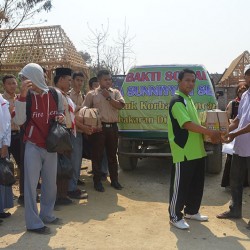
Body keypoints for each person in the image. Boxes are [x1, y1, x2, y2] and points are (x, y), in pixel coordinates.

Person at [13, 63, 65, 234]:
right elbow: (20, 121)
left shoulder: (54, 94)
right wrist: (21, 95)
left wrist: (60, 117)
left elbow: (61, 112)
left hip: (51, 145)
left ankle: (47, 214)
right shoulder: (24, 97)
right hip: (32, 146)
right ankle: (33, 223)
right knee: (30, 186)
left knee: (50, 184)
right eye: (22, 78)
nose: (23, 81)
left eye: (25, 78)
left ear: (35, 77)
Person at [168, 68, 221, 230]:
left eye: (193, 81)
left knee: (196, 183)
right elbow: (187, 124)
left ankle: (192, 211)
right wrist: (210, 132)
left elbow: (196, 124)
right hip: (183, 151)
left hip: (197, 150)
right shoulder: (177, 101)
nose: (190, 83)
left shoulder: (188, 99)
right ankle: (175, 216)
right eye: (187, 80)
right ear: (179, 81)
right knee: (181, 185)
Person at [217, 65, 250, 229]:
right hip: (240, 147)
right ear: (246, 77)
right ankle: (235, 210)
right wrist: (226, 129)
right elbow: (238, 118)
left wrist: (233, 135)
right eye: (249, 75)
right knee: (235, 181)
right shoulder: (245, 95)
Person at [83, 70, 125, 192]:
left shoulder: (115, 93)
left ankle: (115, 180)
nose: (108, 81)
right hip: (98, 128)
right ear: (99, 80)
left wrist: (108, 98)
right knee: (97, 156)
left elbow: (121, 106)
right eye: (105, 79)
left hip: (112, 127)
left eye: (110, 79)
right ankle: (97, 182)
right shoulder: (92, 94)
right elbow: (85, 110)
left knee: (112, 156)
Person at [68, 71, 91, 199]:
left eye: (82, 81)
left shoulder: (82, 95)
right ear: (71, 80)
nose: (79, 83)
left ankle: (73, 184)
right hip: (72, 131)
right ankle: (71, 188)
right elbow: (71, 117)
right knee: (73, 160)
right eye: (77, 80)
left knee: (77, 160)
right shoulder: (68, 95)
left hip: (80, 132)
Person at [2, 75, 24, 204]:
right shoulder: (1, 100)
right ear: (4, 85)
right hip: (5, 137)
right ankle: (7, 198)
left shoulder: (19, 99)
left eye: (14, 83)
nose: (12, 86)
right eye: (9, 83)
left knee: (22, 164)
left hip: (18, 135)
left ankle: (23, 194)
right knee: (5, 166)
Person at [221, 85, 248, 188]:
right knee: (231, 160)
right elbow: (230, 118)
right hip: (235, 134)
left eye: (244, 91)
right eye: (240, 91)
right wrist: (227, 131)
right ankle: (229, 185)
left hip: (241, 134)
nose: (242, 93)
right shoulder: (233, 103)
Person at [87, 77, 109, 179]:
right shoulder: (90, 95)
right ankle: (97, 172)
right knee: (96, 151)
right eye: (95, 85)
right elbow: (85, 109)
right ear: (91, 86)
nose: (97, 87)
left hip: (107, 126)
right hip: (95, 127)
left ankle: (104, 171)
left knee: (105, 151)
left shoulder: (110, 93)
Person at [0, 94, 13, 223]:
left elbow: (6, 124)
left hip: (1, 145)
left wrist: (5, 144)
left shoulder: (2, 101)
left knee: (1, 178)